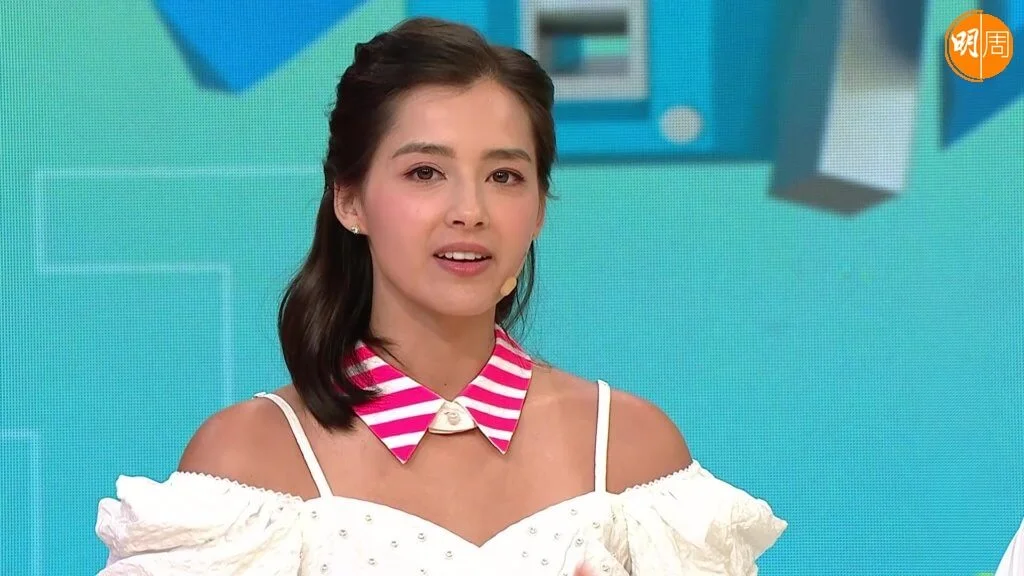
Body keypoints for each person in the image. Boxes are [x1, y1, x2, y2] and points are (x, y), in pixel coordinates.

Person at [94, 16, 786, 575]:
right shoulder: (245, 465)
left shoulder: (634, 454)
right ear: (350, 200)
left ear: (539, 209)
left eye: (505, 177)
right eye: (425, 172)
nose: (469, 211)